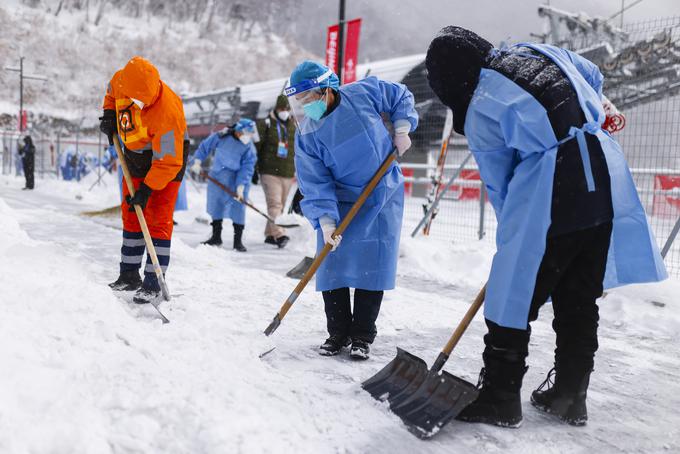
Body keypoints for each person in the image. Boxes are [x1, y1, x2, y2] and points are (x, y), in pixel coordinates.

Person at [425, 26, 667, 428]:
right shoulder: (534, 51)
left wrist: (515, 242)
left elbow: (500, 184)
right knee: (578, 295)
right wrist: (598, 106)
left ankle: (500, 397)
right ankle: (570, 397)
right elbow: (591, 73)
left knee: (511, 294)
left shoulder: (482, 106)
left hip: (555, 189)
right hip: (605, 180)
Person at [287, 61, 418, 359]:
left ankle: (362, 335)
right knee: (331, 265)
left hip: (381, 193)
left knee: (372, 266)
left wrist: (402, 128)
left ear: (327, 90)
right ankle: (337, 333)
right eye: (300, 101)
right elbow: (314, 181)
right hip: (340, 201)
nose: (306, 106)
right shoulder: (307, 133)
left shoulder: (363, 93)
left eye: (310, 97)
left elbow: (400, 96)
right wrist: (326, 222)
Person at [99, 56, 188, 305]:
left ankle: (153, 284)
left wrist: (148, 189)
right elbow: (110, 91)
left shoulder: (168, 111)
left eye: (143, 101)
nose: (138, 104)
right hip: (134, 155)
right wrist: (108, 114)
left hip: (165, 163)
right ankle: (129, 275)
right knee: (132, 213)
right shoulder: (122, 81)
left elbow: (169, 161)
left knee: (157, 218)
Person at [191, 119, 257, 252]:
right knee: (216, 205)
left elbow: (247, 167)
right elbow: (205, 147)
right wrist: (197, 161)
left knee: (238, 207)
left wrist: (240, 186)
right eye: (246, 133)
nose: (248, 137)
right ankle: (216, 237)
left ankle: (237, 241)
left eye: (251, 134)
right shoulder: (222, 136)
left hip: (238, 178)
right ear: (238, 131)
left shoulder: (249, 147)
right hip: (218, 175)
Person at [255, 94, 296, 249]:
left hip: (287, 172)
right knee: (275, 204)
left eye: (286, 108)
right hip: (269, 171)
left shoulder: (293, 125)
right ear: (276, 108)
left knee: (281, 206)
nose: (284, 111)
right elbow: (257, 146)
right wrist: (254, 169)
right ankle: (279, 234)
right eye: (281, 108)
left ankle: (270, 234)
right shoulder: (266, 124)